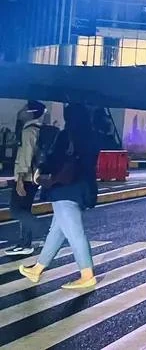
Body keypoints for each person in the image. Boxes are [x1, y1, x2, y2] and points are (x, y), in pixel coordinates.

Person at [19, 104, 100, 290]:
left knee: (75, 233)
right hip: (81, 188)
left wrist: (42, 168)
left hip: (65, 188)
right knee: (57, 231)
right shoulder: (92, 135)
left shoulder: (68, 135)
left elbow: (55, 159)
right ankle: (37, 269)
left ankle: (86, 274)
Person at [7, 101, 47, 257]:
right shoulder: (37, 129)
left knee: (16, 210)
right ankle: (25, 244)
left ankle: (42, 228)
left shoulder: (29, 131)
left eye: (23, 108)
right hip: (34, 177)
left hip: (27, 177)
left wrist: (20, 180)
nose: (20, 111)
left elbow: (26, 156)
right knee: (24, 210)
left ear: (30, 112)